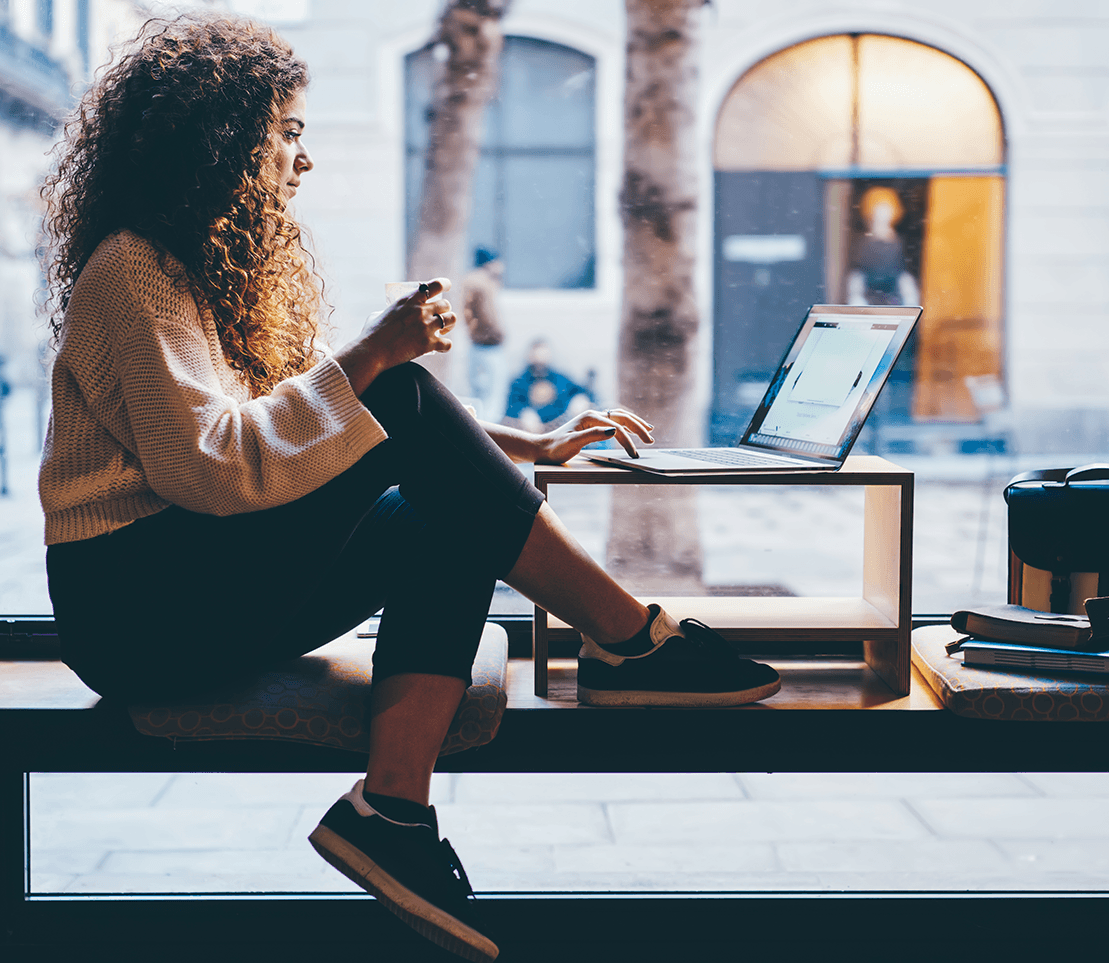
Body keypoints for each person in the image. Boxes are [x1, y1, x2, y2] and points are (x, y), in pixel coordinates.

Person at [36, 15, 779, 962]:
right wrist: (378, 353)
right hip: (136, 611)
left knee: (443, 506)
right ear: (222, 138)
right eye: (288, 133)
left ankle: (391, 808)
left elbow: (316, 417)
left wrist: (522, 439)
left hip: (194, 584)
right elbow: (213, 467)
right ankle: (630, 636)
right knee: (398, 390)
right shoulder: (132, 270)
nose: (300, 161)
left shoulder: (199, 270)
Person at [846, 186, 920, 307]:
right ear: (871, 210)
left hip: (895, 301)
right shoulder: (863, 244)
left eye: (887, 208)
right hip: (869, 301)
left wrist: (910, 296)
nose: (883, 213)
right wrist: (856, 297)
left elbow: (904, 274)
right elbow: (857, 274)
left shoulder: (900, 243)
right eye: (879, 208)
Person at [503, 338, 594, 431]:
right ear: (529, 356)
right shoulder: (518, 382)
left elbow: (581, 393)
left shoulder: (561, 379)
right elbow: (510, 408)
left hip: (562, 431)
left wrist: (579, 399)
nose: (540, 359)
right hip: (530, 436)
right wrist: (522, 413)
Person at [461, 247, 507, 420]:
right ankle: (490, 437)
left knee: (478, 396)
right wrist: (499, 334)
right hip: (488, 346)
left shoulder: (471, 281)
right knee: (491, 400)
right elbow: (488, 318)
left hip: (477, 345)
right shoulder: (481, 283)